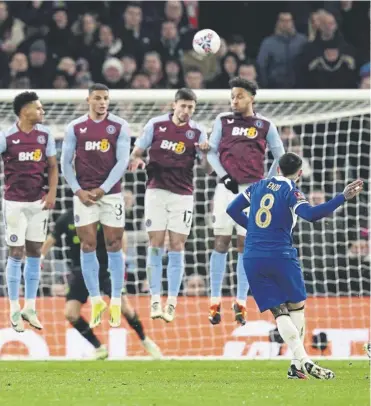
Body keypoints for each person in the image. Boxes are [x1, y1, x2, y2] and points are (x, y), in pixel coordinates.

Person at [226, 152, 363, 379]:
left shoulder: (257, 186)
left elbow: (232, 209)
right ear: (299, 173)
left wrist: (253, 229)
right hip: (280, 254)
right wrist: (342, 197)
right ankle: (301, 361)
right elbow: (310, 215)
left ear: (277, 168)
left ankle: (298, 364)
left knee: (279, 312)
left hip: (252, 256)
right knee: (296, 307)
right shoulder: (291, 189)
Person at [206, 77, 285, 326]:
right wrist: (224, 175)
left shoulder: (265, 125)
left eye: (239, 96)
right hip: (225, 188)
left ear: (251, 97)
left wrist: (266, 182)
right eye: (232, 97)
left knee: (245, 245)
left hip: (252, 191)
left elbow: (280, 156)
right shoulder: (223, 121)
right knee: (220, 241)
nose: (234, 101)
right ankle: (213, 301)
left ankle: (241, 301)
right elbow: (210, 151)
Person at [129, 88, 209, 323]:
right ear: (174, 105)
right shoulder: (155, 125)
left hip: (182, 195)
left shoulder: (198, 131)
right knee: (155, 243)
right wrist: (137, 160)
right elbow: (137, 152)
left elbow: (208, 168)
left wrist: (205, 155)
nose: (186, 111)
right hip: (156, 191)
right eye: (182, 106)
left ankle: (172, 301)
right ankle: (155, 298)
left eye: (190, 107)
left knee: (177, 246)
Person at [41, 209, 161, 360]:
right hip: (81, 271)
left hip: (106, 268)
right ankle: (99, 348)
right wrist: (38, 258)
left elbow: (120, 233)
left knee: (125, 308)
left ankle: (145, 340)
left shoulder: (102, 213)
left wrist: (122, 257)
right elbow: (51, 239)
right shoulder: (66, 218)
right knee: (70, 313)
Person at [61, 83, 130, 329]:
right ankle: (96, 299)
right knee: (88, 245)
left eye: (106, 99)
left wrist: (104, 188)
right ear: (88, 99)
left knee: (113, 244)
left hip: (110, 195)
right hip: (84, 195)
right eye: (98, 98)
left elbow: (123, 161)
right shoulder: (75, 127)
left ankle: (115, 299)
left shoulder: (120, 126)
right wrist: (78, 190)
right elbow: (65, 163)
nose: (102, 102)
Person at [0, 91, 58, 332]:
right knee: (16, 250)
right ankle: (13, 306)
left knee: (35, 250)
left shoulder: (46, 136)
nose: (42, 112)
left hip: (39, 202)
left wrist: (53, 192)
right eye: (39, 108)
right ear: (24, 111)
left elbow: (53, 167)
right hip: (14, 203)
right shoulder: (6, 136)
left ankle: (30, 307)